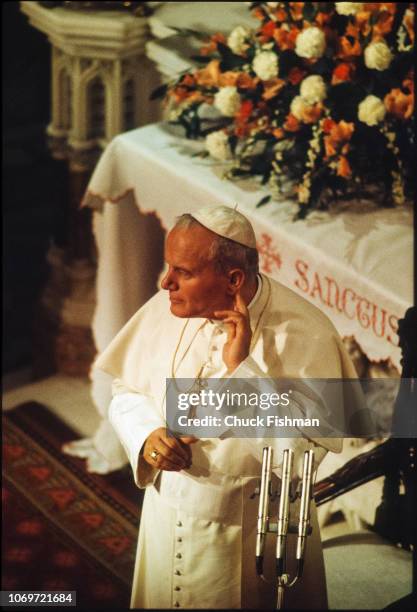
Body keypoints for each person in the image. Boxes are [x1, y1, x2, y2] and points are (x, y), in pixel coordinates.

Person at [94, 205, 359, 610]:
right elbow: (126, 388)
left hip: (250, 540)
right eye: (169, 267)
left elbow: (301, 459)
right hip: (166, 522)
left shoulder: (307, 333)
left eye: (183, 271)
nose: (166, 282)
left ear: (233, 279)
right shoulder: (171, 308)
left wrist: (242, 372)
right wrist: (147, 436)